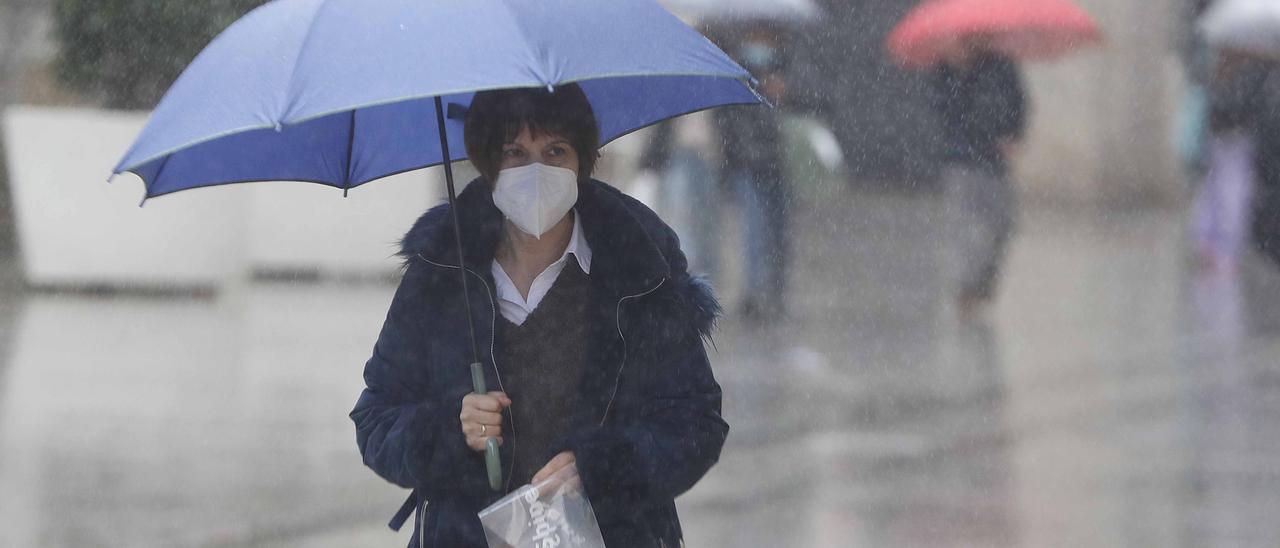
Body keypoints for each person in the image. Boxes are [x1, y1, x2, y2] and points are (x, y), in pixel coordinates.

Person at [349, 84, 728, 548]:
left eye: (555, 150)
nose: (536, 170)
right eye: (515, 152)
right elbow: (378, 417)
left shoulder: (638, 270)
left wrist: (602, 465)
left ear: (582, 161)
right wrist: (449, 430)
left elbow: (695, 423)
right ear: (490, 165)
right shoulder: (441, 271)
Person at [929, 37, 1027, 314]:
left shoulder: (1002, 67)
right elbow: (943, 111)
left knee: (1003, 225)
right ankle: (965, 287)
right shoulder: (945, 69)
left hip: (995, 162)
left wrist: (1014, 135)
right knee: (962, 228)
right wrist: (957, 72)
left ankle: (982, 282)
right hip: (960, 161)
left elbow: (1019, 102)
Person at [715, 27, 792, 322]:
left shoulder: (786, 66)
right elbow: (730, 119)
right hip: (748, 163)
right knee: (754, 229)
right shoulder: (737, 71)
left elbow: (816, 97)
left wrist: (786, 91)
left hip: (778, 164)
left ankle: (773, 290)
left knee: (778, 231)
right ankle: (753, 292)